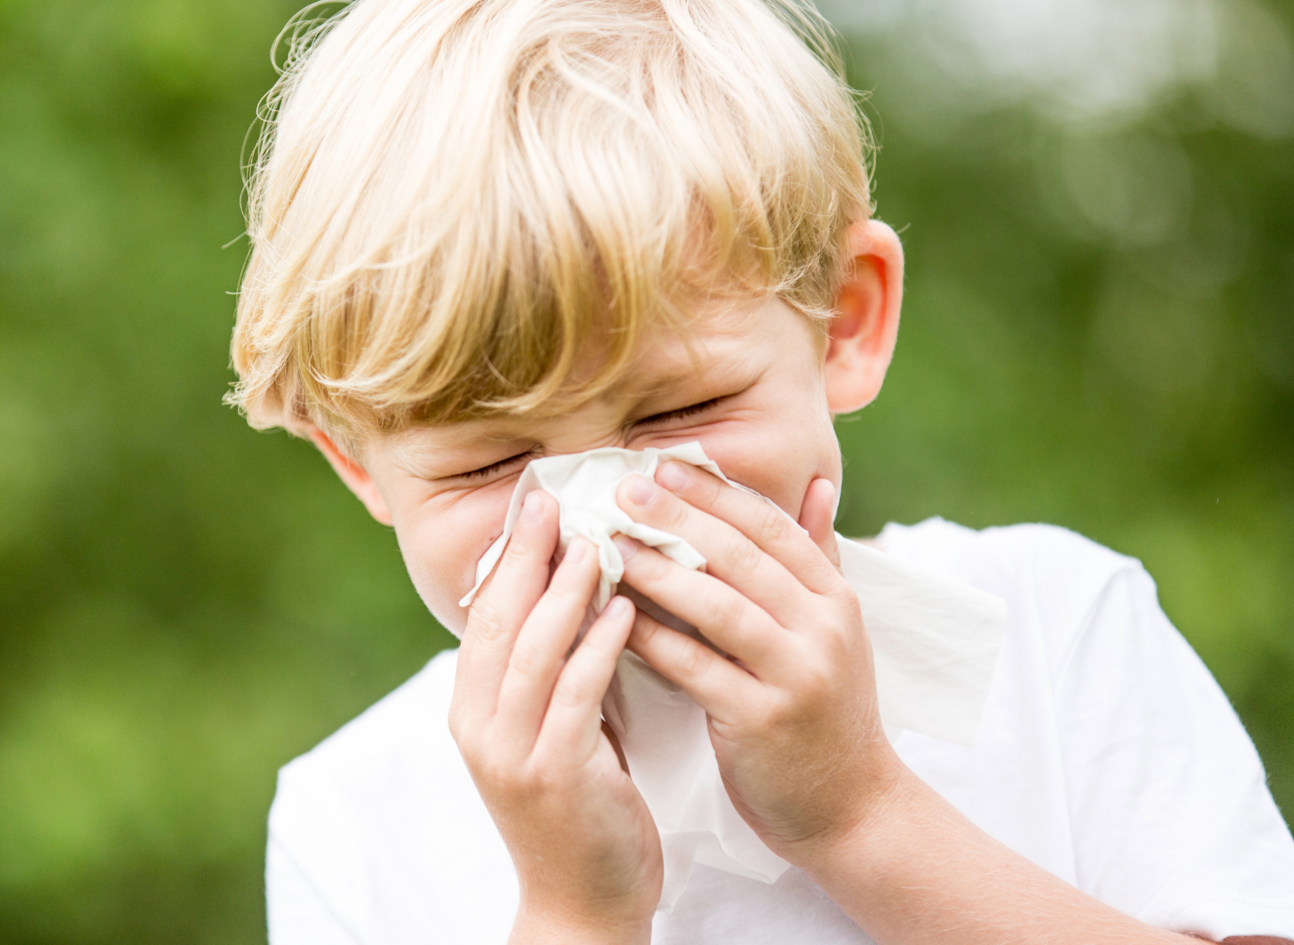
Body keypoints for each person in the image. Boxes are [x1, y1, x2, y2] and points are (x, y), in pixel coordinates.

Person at [226, 0, 1294, 942]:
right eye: (489, 461)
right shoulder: (357, 815)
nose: (601, 518)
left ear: (844, 324)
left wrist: (862, 815)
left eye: (682, 409)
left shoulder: (1049, 631)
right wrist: (575, 913)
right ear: (359, 464)